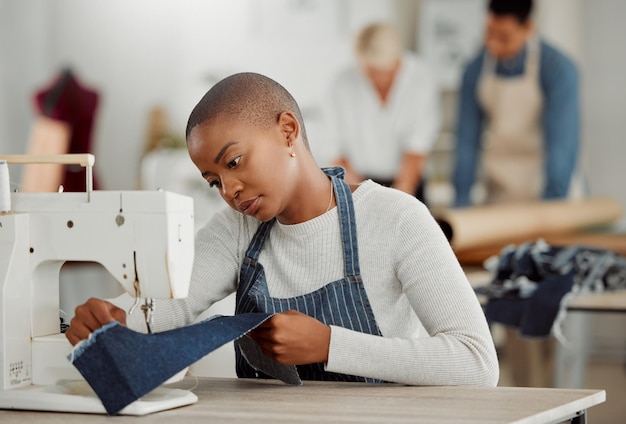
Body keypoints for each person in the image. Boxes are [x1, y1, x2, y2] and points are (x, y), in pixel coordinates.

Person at [66, 72, 498, 387]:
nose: (229, 191)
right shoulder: (236, 231)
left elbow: (477, 362)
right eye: (213, 181)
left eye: (234, 163)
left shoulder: (396, 218)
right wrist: (113, 317)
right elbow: (174, 307)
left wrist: (331, 344)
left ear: (288, 131)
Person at [453, 0, 580, 207]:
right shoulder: (474, 71)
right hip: (499, 195)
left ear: (528, 28)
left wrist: (553, 208)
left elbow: (562, 147)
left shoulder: (558, 70)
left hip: (547, 192)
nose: (493, 45)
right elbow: (466, 144)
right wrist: (460, 204)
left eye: (504, 38)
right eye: (489, 33)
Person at [327, 22, 440, 203]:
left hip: (408, 182)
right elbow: (334, 146)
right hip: (357, 184)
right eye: (369, 70)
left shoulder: (421, 78)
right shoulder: (342, 83)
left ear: (397, 59)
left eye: (382, 71)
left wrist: (400, 199)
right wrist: (363, 196)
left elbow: (418, 144)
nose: (375, 78)